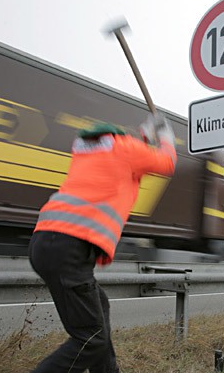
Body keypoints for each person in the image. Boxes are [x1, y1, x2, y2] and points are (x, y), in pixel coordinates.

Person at [28, 115, 176, 373]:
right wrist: (165, 138)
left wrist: (144, 136)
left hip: (46, 242)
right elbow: (166, 163)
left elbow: (129, 152)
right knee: (91, 339)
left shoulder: (89, 150)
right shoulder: (127, 149)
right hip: (70, 248)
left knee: (99, 309)